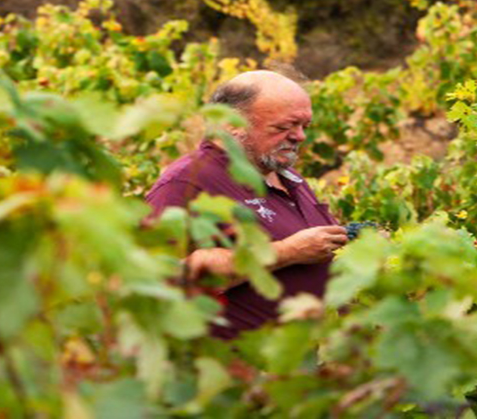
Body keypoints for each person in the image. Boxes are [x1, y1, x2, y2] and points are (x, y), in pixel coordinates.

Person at [145, 70, 348, 339]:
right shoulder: (187, 182)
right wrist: (288, 251)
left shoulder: (287, 176)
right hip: (236, 369)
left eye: (304, 126)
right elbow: (162, 280)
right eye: (283, 127)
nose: (299, 137)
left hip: (305, 366)